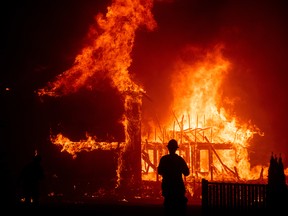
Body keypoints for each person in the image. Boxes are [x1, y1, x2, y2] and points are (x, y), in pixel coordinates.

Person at [157, 139, 190, 216]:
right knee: (179, 209)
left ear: (168, 148)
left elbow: (159, 171)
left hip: (167, 187)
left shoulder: (164, 159)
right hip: (178, 187)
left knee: (168, 209)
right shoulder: (180, 160)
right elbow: (186, 173)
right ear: (176, 149)